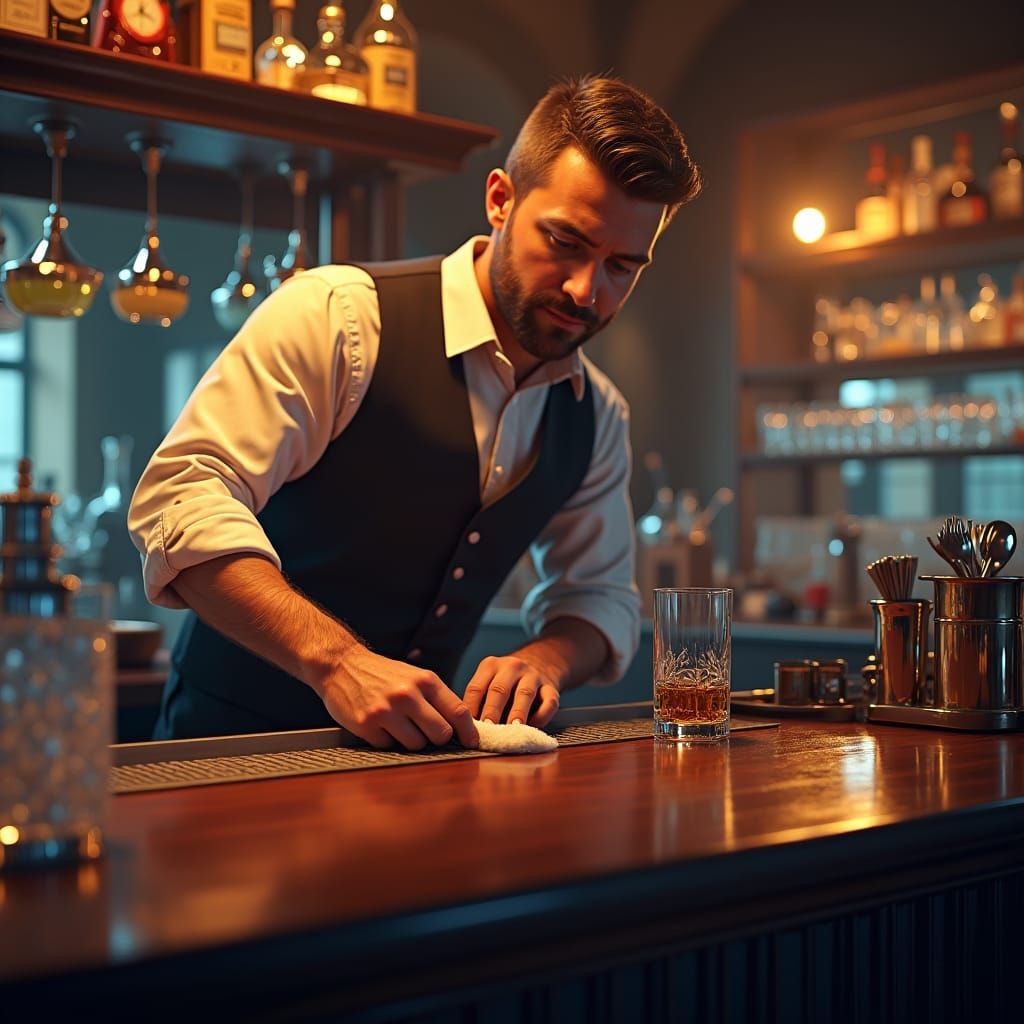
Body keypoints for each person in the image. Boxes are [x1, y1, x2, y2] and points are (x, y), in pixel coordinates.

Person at [128, 75, 702, 748]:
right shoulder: (339, 318)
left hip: (415, 762)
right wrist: (337, 662)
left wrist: (545, 660)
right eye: (566, 242)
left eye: (622, 267)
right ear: (500, 199)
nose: (586, 290)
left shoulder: (596, 413)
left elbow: (598, 597)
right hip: (229, 752)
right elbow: (182, 498)